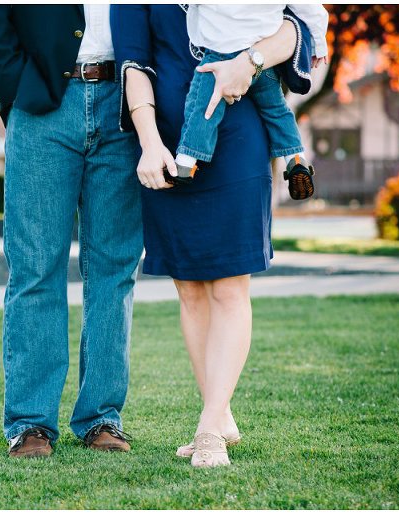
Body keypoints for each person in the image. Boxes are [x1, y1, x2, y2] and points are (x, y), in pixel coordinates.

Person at [111, 5, 314, 467]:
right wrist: (148, 143)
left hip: (240, 132)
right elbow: (133, 64)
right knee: (191, 289)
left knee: (228, 284)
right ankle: (218, 414)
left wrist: (251, 62)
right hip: (168, 142)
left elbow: (296, 28)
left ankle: (209, 431)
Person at [0, 5, 141, 458]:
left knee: (114, 270)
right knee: (36, 269)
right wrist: (17, 86)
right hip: (44, 106)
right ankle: (30, 423)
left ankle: (102, 416)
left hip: (127, 106)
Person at [172, 5, 328, 201]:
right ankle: (296, 158)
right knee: (277, 111)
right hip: (263, 59)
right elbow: (313, 10)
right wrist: (319, 46)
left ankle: (186, 161)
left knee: (203, 107)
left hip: (220, 56)